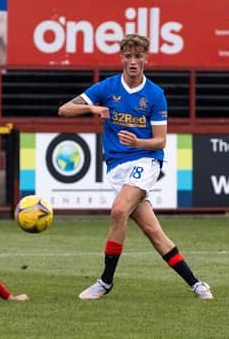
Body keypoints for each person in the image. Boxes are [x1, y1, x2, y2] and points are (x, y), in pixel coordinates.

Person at [57, 34, 213, 300]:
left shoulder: (154, 95)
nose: (133, 62)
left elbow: (160, 141)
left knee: (118, 210)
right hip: (117, 167)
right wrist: (93, 109)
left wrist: (138, 140)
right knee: (154, 233)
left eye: (138, 57)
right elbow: (64, 110)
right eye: (128, 56)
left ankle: (105, 282)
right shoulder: (107, 88)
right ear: (121, 58)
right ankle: (197, 284)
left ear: (146, 60)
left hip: (146, 160)